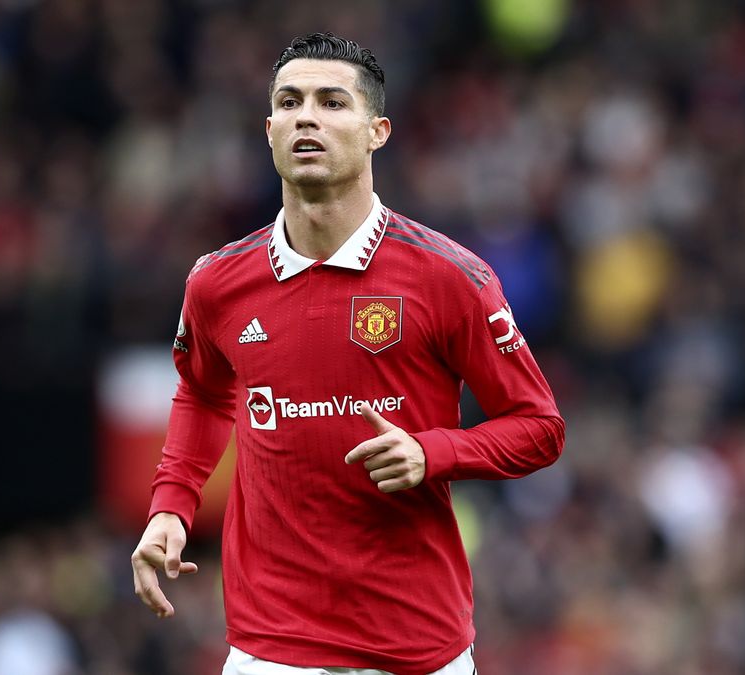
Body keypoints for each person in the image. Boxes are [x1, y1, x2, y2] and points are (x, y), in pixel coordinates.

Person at [131, 32, 565, 675]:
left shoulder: (449, 278)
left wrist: (434, 451)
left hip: (415, 645)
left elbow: (540, 429)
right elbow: (203, 389)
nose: (307, 115)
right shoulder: (217, 283)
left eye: (332, 102)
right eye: (290, 101)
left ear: (377, 131)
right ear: (270, 129)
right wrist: (172, 503)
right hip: (269, 649)